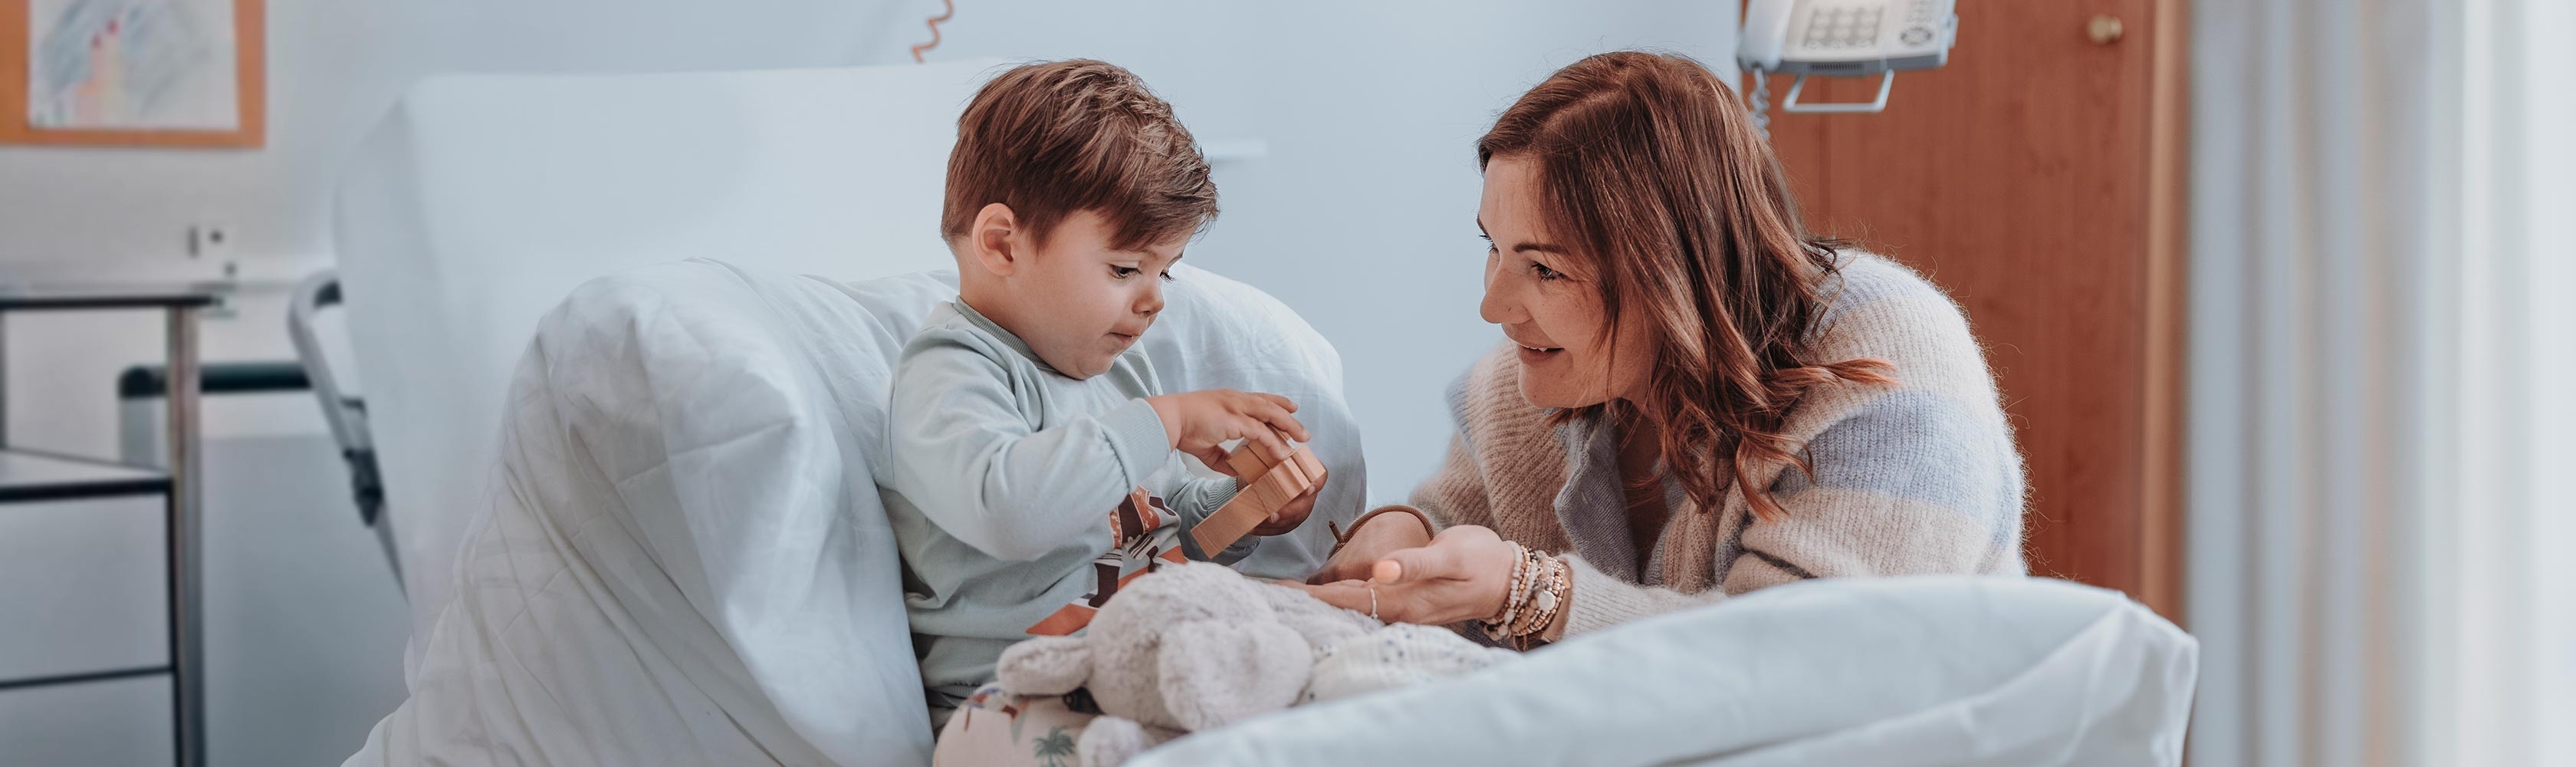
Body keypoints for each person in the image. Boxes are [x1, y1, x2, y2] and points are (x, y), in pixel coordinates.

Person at [1297, 51, 2027, 648]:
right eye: (1494, 249)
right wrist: (1406, 534)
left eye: (1546, 269)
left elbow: (1816, 666)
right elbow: (1460, 524)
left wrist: (1533, 596)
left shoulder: (1891, 367)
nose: (1493, 306)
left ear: (1672, 272)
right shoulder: (1536, 384)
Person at [881, 60, 1325, 738]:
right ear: (1002, 243)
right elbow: (1008, 512)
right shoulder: (953, 369)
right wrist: (1165, 420)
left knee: (1321, 670)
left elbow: (1163, 536)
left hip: (1146, 661)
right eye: (1124, 269)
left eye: (1164, 273)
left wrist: (1248, 510)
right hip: (1013, 693)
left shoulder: (1118, 370)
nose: (1153, 301)